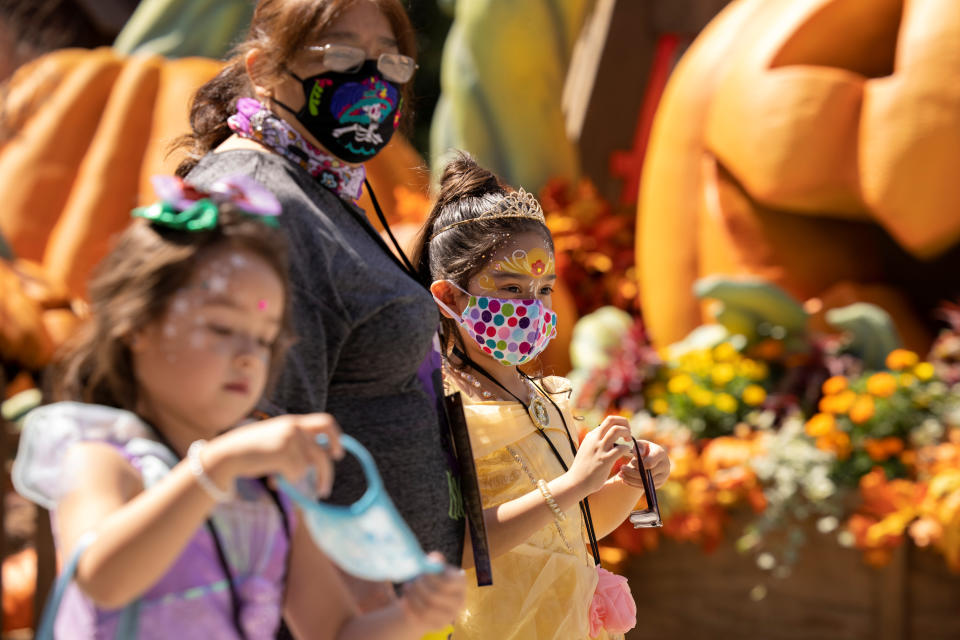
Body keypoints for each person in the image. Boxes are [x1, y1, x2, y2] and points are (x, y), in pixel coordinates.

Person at [12, 176, 465, 639]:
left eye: (265, 339)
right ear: (137, 326)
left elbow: (334, 631)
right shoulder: (104, 458)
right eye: (223, 328)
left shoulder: (268, 487)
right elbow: (102, 580)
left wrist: (411, 617)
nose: (250, 355)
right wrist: (219, 462)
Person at [174, 0, 463, 604]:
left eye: (390, 60)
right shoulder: (257, 200)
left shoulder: (315, 185)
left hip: (392, 602)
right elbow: (264, 446)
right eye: (339, 54)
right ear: (261, 70)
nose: (370, 79)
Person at [411, 154, 672, 640]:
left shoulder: (541, 395)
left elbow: (573, 524)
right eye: (511, 288)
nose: (533, 306)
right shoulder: (442, 401)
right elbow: (451, 543)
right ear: (449, 298)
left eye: (544, 287)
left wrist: (629, 484)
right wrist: (573, 484)